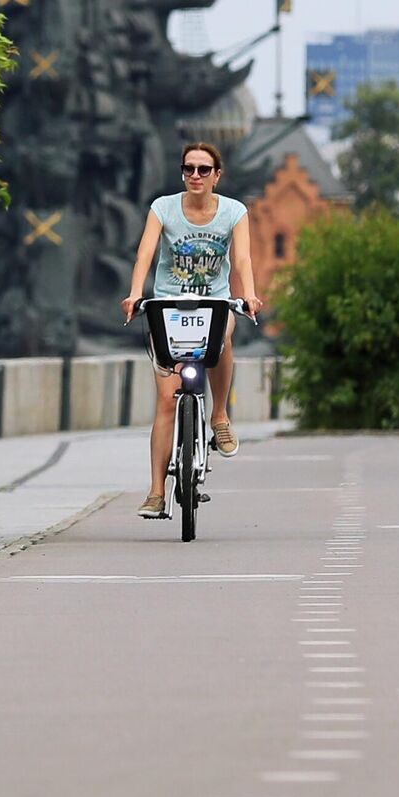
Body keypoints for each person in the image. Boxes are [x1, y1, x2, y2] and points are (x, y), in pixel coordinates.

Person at [120, 142, 263, 518]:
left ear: (217, 175)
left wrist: (248, 295)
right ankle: (155, 493)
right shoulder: (163, 208)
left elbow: (243, 258)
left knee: (225, 336)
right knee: (167, 400)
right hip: (169, 306)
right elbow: (145, 254)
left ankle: (219, 416)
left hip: (213, 303)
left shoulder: (234, 212)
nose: (195, 176)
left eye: (203, 170)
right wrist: (135, 294)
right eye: (188, 169)